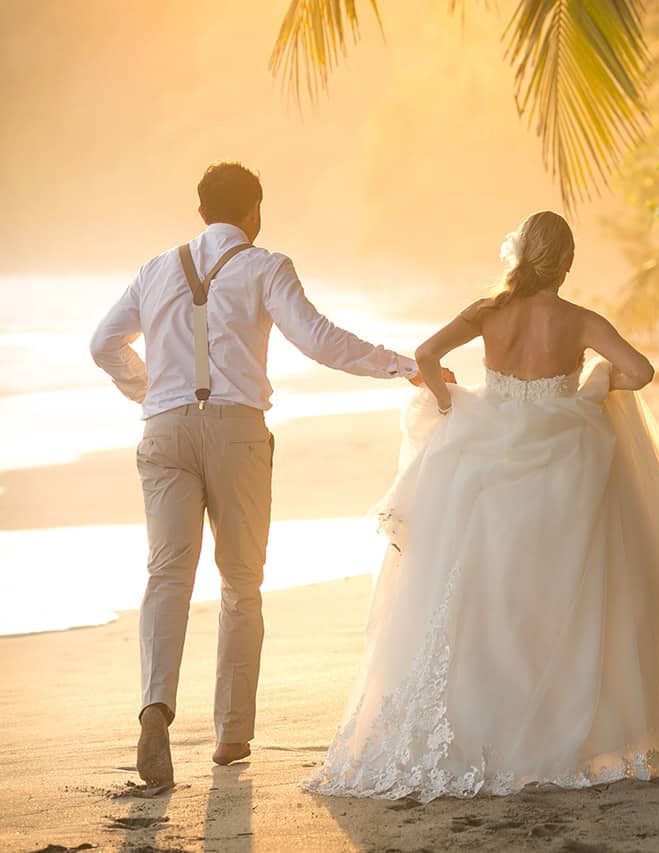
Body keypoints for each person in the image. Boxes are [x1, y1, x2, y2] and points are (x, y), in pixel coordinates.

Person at [302, 211, 659, 801]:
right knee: (557, 599)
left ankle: (479, 732)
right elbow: (642, 371)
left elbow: (423, 354)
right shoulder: (580, 320)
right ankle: (558, 732)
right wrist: (600, 383)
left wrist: (449, 403)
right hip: (565, 464)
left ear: (520, 256)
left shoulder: (488, 310)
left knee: (481, 597)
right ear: (567, 264)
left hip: (484, 454)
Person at [89, 161, 423, 788]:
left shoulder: (154, 269)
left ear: (199, 212)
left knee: (167, 574)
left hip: (163, 431)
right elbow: (320, 340)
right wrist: (404, 366)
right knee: (241, 580)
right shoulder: (267, 266)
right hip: (237, 432)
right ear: (255, 212)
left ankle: (155, 708)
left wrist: (147, 392)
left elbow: (103, 343)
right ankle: (230, 735)